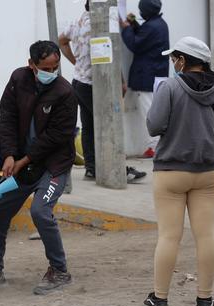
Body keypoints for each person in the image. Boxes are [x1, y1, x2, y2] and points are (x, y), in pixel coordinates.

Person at [0, 41, 77, 296]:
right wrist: (8, 155)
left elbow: (56, 137)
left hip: (53, 165)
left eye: (56, 67)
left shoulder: (65, 93)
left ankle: (59, 271)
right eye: (45, 67)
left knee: (40, 211)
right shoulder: (18, 79)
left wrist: (23, 159)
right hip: (21, 165)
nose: (52, 72)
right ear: (31, 65)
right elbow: (8, 118)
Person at [144, 36, 214, 306]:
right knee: (206, 234)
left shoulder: (170, 87)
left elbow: (153, 126)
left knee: (169, 236)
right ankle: (205, 299)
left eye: (174, 59)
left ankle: (159, 298)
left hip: (171, 170)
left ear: (183, 60)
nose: (173, 63)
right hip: (209, 171)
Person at [59, 0, 147, 182]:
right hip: (95, 85)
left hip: (79, 82)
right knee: (109, 125)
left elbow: (61, 40)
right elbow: (111, 54)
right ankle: (117, 169)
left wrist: (76, 63)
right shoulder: (103, 25)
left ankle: (91, 168)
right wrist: (121, 80)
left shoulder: (77, 22)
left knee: (89, 127)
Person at [120, 0, 169, 159]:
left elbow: (135, 43)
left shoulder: (151, 26)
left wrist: (127, 28)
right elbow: (144, 37)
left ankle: (154, 147)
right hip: (154, 75)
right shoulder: (159, 24)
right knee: (149, 110)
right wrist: (134, 25)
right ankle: (151, 146)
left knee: (148, 112)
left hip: (146, 77)